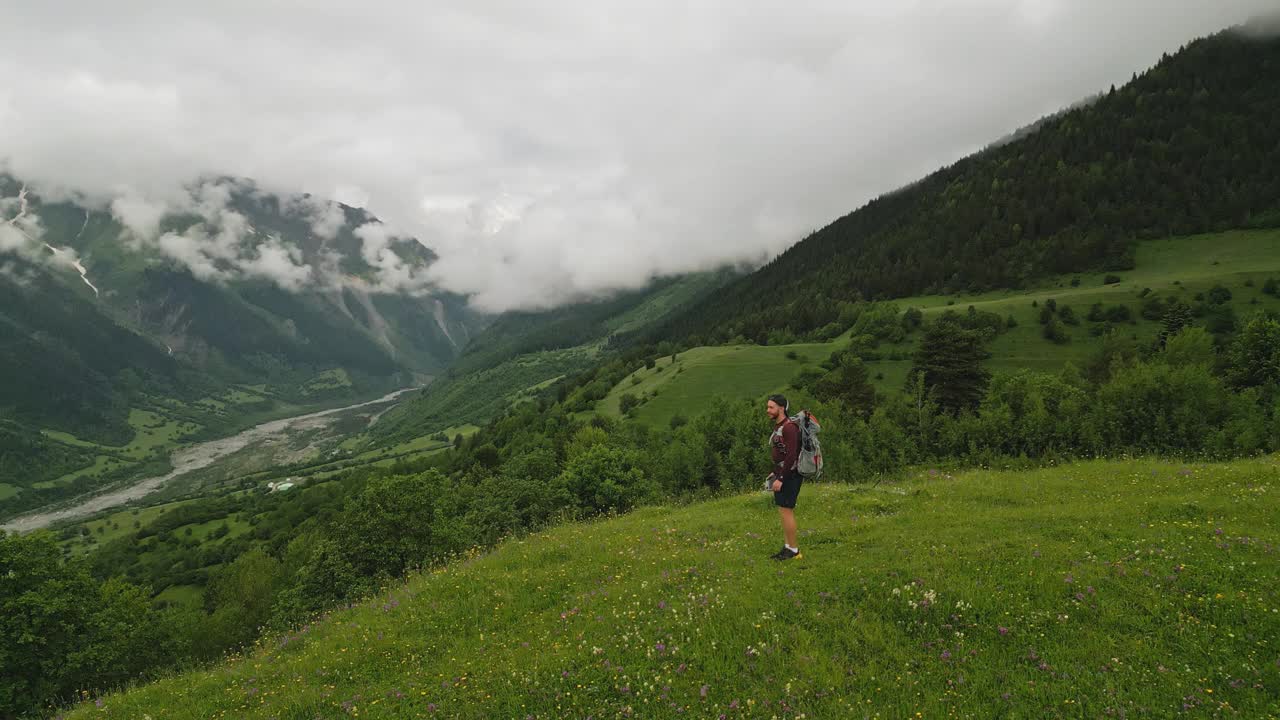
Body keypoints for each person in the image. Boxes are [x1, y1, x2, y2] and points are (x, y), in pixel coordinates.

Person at [764, 394, 802, 560]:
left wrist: (781, 478)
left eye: (771, 407)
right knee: (783, 511)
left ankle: (793, 550)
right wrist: (775, 472)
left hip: (790, 475)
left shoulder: (789, 427)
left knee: (787, 512)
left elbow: (792, 456)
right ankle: (787, 547)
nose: (768, 410)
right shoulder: (779, 426)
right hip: (782, 472)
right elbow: (782, 452)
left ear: (781, 408)